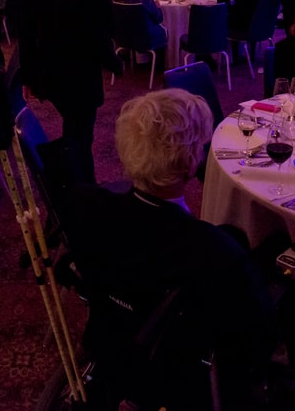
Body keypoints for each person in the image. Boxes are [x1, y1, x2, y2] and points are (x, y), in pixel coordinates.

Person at [65, 89, 273, 409]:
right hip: (170, 365)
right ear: (190, 162)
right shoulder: (211, 251)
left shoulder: (86, 208)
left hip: (109, 335)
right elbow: (254, 337)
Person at [22, 0, 121, 185]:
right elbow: (103, 34)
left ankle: (75, 184)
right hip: (79, 80)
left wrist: (28, 76)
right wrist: (116, 63)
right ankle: (81, 195)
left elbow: (26, 32)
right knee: (81, 138)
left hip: (47, 74)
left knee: (74, 132)